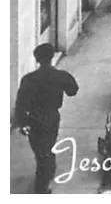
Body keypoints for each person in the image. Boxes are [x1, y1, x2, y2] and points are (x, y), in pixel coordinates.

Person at [11, 43, 79, 193]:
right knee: (47, 147)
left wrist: (21, 123)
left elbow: (20, 103)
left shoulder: (28, 79)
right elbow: (73, 90)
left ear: (37, 59)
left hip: (34, 118)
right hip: (51, 116)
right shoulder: (60, 76)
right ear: (52, 57)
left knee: (39, 151)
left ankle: (42, 183)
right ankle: (44, 179)